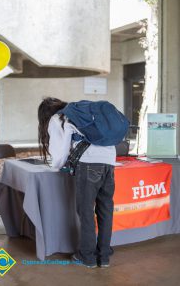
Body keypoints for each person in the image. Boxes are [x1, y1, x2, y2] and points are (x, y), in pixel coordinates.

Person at [38, 97, 116, 268]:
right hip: (109, 162)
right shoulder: (84, 114)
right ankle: (103, 257)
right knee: (105, 210)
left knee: (86, 211)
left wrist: (58, 166)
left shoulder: (58, 118)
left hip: (89, 164)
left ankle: (87, 256)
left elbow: (60, 151)